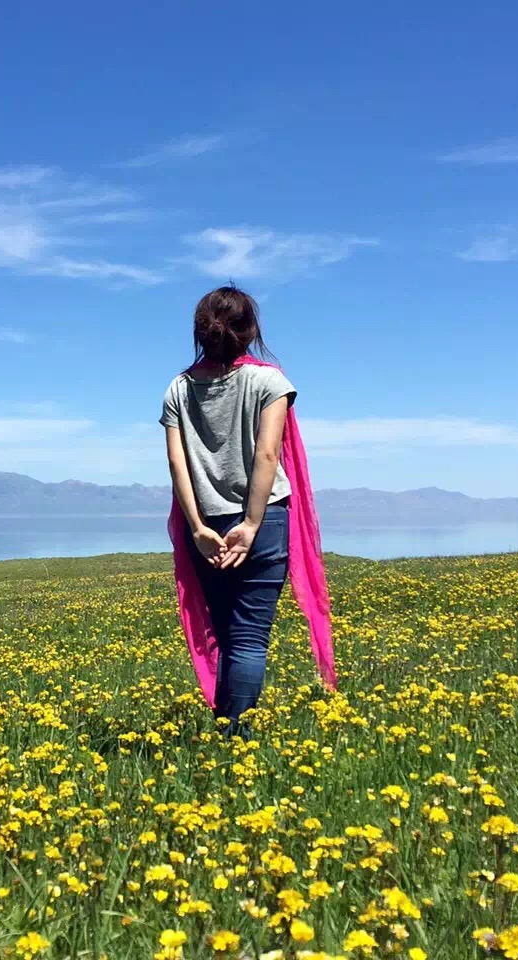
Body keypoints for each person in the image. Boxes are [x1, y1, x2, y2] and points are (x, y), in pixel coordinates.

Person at [162, 285, 336, 734]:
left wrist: (198, 528)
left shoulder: (178, 388)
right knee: (249, 638)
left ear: (201, 331)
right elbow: (268, 454)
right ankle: (236, 739)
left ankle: (226, 732)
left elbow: (177, 465)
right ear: (251, 330)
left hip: (206, 525)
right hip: (264, 521)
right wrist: (252, 523)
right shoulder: (270, 382)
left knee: (224, 633)